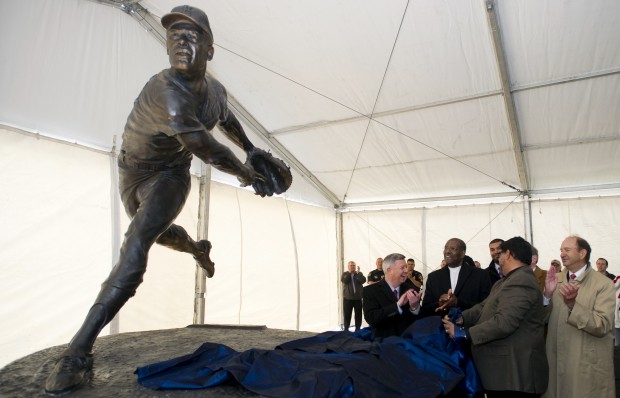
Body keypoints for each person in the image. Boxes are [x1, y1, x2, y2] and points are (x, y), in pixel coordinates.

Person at [45, 6, 271, 395]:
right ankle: (197, 247)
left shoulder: (214, 91)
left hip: (169, 175)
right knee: (160, 233)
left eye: (192, 36)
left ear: (209, 50)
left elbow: (223, 118)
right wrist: (247, 174)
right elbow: (204, 145)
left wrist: (250, 149)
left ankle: (77, 351)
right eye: (174, 36)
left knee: (135, 247)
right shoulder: (166, 90)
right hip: (131, 174)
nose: (181, 43)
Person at [443, 237, 548, 397]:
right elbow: (483, 307)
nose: (498, 259)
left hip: (513, 376)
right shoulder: (505, 282)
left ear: (509, 255)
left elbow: (504, 322)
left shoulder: (521, 281)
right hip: (502, 375)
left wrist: (464, 333)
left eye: (501, 254)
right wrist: (460, 318)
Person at [543, 236, 615, 398]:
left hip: (584, 367)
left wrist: (573, 305)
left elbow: (602, 324)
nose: (562, 254)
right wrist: (546, 295)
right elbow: (542, 320)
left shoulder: (603, 284)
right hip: (555, 365)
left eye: (567, 250)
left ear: (582, 253)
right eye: (561, 250)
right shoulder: (556, 279)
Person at [422, 238, 491, 316]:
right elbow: (425, 309)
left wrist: (458, 303)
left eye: (453, 248)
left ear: (462, 253)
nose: (447, 251)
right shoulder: (433, 277)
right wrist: (439, 303)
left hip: (470, 326)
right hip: (440, 326)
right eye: (446, 248)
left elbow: (487, 307)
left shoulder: (480, 275)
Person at [362, 253, 421, 339]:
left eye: (406, 267)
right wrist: (397, 306)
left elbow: (418, 320)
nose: (406, 270)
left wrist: (415, 307)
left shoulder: (411, 289)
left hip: (408, 345)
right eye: (402, 268)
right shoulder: (370, 291)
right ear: (389, 270)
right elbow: (371, 319)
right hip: (383, 345)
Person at [341, 260, 366, 332]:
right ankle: (346, 329)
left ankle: (358, 329)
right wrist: (350, 273)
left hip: (358, 298)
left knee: (358, 314)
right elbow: (345, 280)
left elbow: (363, 281)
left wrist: (358, 274)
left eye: (353, 265)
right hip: (348, 299)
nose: (352, 267)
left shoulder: (359, 274)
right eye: (351, 265)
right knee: (347, 314)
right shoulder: (345, 274)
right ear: (348, 267)